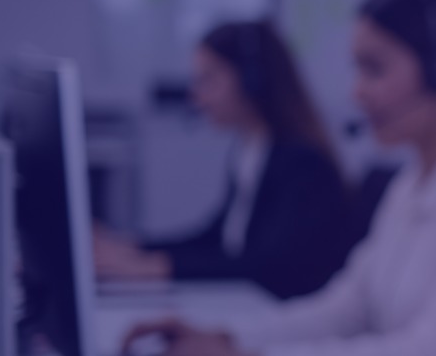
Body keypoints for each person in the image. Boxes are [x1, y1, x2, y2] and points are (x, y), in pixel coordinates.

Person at [124, 0, 436, 356]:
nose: (356, 93)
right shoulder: (411, 183)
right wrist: (229, 337)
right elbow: (344, 308)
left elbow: (430, 351)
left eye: (374, 69)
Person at [94, 20, 352, 300]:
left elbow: (267, 264)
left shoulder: (301, 163)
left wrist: (157, 267)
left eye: (209, 80)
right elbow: (218, 238)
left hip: (283, 311)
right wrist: (134, 248)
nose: (197, 96)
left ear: (252, 80)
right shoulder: (250, 149)